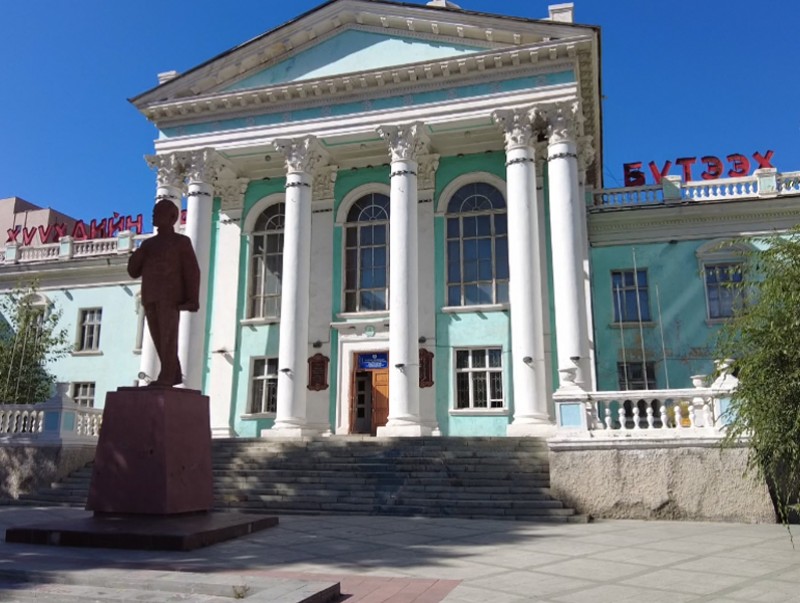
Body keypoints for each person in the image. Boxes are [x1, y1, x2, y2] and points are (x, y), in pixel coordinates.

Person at [127, 199, 200, 386]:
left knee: (168, 337)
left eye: (158, 212)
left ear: (172, 217)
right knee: (158, 338)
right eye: (154, 212)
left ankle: (167, 375)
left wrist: (193, 298)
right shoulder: (148, 245)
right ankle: (173, 373)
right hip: (150, 296)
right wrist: (137, 255)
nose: (154, 215)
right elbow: (133, 271)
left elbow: (192, 270)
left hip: (170, 297)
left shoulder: (181, 242)